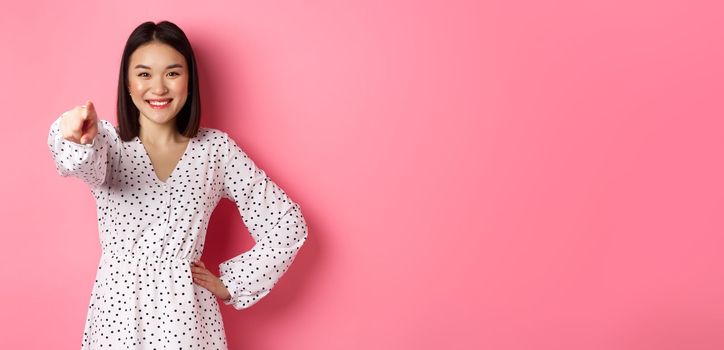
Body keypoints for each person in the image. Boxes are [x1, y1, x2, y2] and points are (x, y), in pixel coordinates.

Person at [47, 20, 309, 349]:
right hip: (117, 315)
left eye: (172, 73)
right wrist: (71, 133)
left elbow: (286, 225)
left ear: (189, 81)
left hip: (187, 317)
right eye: (144, 74)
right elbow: (73, 158)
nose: (158, 88)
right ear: (127, 82)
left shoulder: (216, 151)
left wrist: (233, 284)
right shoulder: (106, 143)